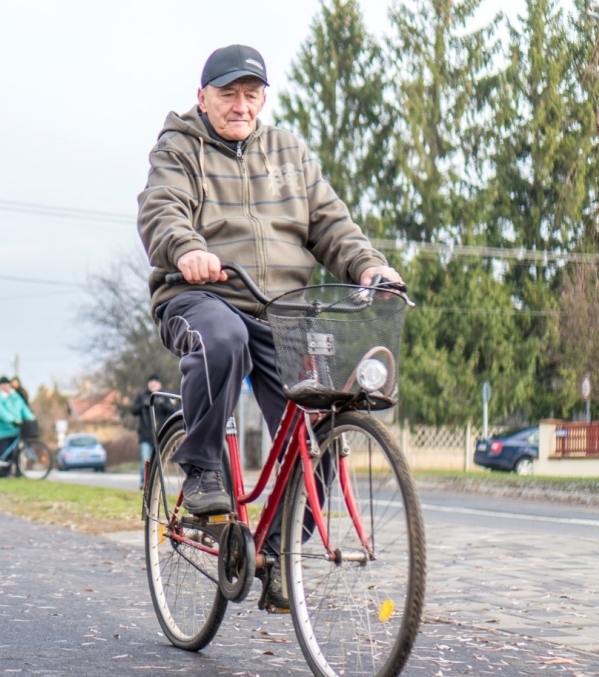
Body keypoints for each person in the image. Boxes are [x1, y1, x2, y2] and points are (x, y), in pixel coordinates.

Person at [137, 44, 402, 607]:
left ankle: (279, 551)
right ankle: (203, 468)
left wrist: (370, 265)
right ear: (202, 96)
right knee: (223, 339)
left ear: (263, 97)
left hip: (282, 309)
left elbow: (331, 224)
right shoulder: (179, 148)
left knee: (323, 421)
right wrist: (186, 250)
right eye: (228, 93)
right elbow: (162, 209)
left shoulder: (288, 151)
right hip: (202, 294)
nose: (240, 105)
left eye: (251, 93)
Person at [130, 374, 177, 489]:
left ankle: (157, 484)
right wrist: (143, 404)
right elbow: (133, 410)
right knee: (145, 460)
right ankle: (144, 483)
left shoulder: (165, 395)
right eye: (151, 382)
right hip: (145, 435)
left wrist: (163, 404)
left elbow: (173, 410)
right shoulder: (142, 396)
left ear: (159, 384)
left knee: (159, 461)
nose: (153, 384)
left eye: (155, 382)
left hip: (161, 434)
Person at [0, 376, 35, 478]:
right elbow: (0, 412)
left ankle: (18, 472)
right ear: (0, 386)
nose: (6, 386)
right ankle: (3, 474)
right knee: (4, 454)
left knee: (16, 453)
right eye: (4, 384)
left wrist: (31, 419)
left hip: (15, 429)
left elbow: (23, 408)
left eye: (7, 384)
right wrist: (12, 420)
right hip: (2, 431)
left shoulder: (15, 396)